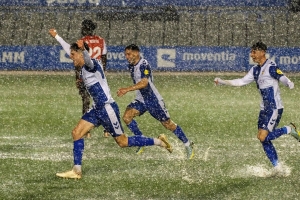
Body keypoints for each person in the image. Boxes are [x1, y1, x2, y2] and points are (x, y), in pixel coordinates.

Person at [55, 40, 172, 179]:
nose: (71, 57)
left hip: (107, 108)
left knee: (123, 142)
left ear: (81, 54)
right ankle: (76, 171)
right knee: (76, 133)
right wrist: (56, 36)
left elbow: (88, 60)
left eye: (73, 54)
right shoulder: (84, 67)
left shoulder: (91, 64)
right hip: (97, 108)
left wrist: (84, 51)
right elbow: (76, 53)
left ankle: (159, 142)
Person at [214, 41, 300, 176]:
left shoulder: (270, 66)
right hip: (264, 109)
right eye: (251, 51)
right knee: (262, 138)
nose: (251, 54)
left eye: (254, 51)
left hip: (274, 108)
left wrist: (288, 82)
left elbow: (281, 76)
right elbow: (241, 81)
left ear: (262, 52)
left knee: (263, 136)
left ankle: (288, 129)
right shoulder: (255, 70)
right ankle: (277, 167)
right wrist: (223, 82)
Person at [117, 44, 194, 159]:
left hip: (153, 99)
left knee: (168, 124)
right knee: (127, 117)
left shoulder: (144, 64)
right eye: (125, 54)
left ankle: (188, 145)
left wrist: (127, 89)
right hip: (141, 99)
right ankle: (141, 141)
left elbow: (144, 83)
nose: (126, 56)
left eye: (129, 54)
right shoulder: (131, 66)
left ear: (136, 53)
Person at [49, 20, 110, 138]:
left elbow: (74, 56)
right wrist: (102, 74)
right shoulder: (101, 40)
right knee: (102, 102)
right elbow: (104, 58)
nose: (81, 29)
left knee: (86, 101)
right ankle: (107, 129)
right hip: (98, 75)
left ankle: (86, 131)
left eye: (83, 28)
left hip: (86, 75)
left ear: (85, 29)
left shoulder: (82, 42)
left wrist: (77, 77)